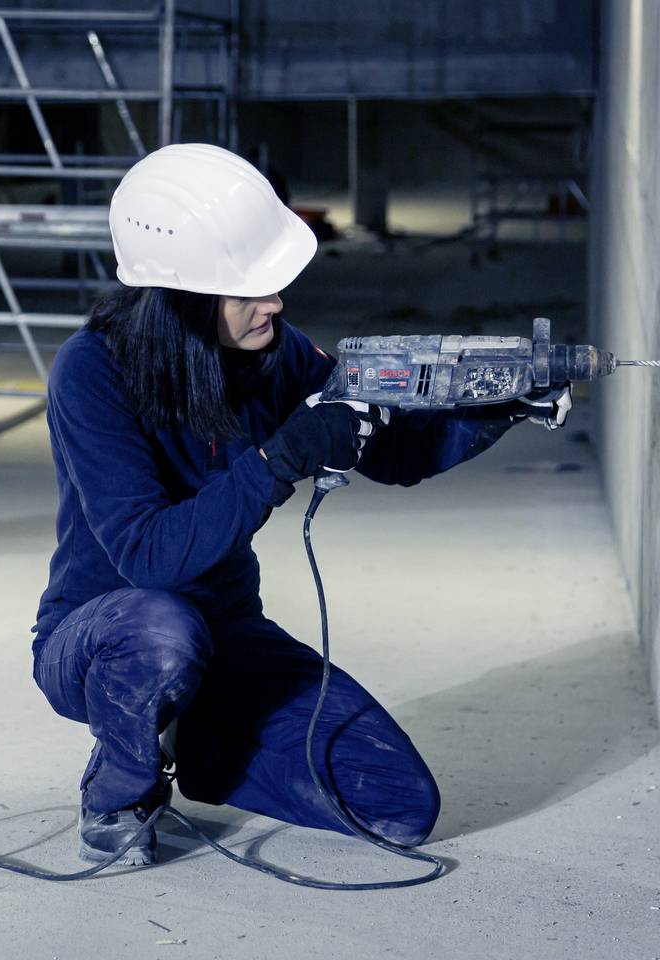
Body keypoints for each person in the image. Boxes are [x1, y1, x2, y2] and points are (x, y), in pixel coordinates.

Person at [30, 143, 571, 866]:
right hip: (104, 636)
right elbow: (147, 555)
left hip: (225, 635)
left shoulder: (274, 354)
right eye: (250, 291)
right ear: (182, 295)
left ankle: (200, 734)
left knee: (395, 803)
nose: (275, 305)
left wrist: (496, 404)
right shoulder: (92, 372)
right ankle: (121, 786)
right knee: (163, 633)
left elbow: (397, 454)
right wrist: (279, 458)